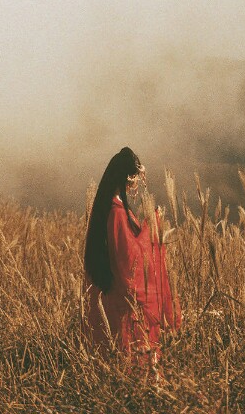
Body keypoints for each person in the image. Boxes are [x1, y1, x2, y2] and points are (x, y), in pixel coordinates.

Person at [83, 147, 181, 374]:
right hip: (125, 307)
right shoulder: (116, 211)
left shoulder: (110, 207)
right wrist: (152, 224)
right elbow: (130, 261)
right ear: (128, 178)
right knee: (133, 364)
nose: (137, 185)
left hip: (115, 299)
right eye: (136, 178)